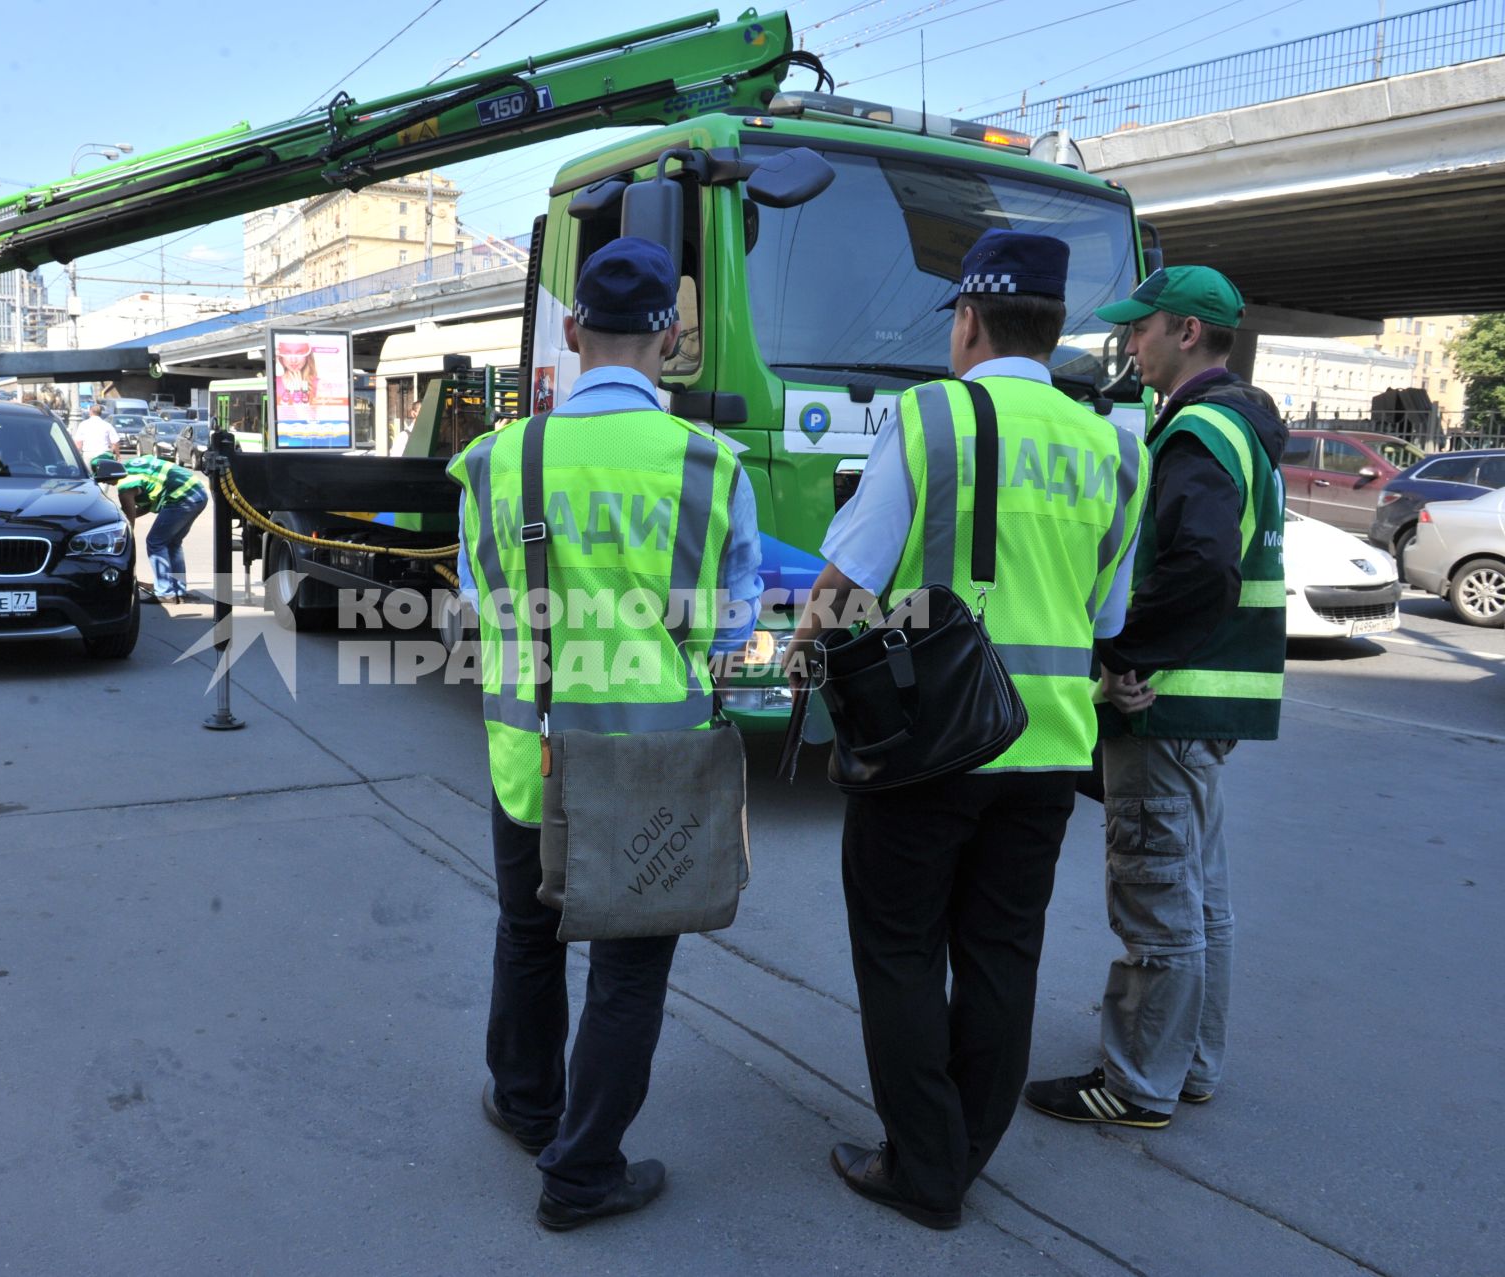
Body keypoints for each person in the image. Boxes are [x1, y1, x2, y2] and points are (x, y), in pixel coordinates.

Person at [783, 230, 1149, 1231]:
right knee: (1002, 952)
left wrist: (802, 644)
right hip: (1048, 747)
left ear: (970, 319)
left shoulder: (931, 416)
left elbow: (849, 574)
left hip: (928, 744)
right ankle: (963, 1148)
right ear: (1055, 324)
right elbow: (1107, 616)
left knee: (900, 948)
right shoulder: (1116, 446)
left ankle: (925, 1164)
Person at [448, 236, 762, 1232]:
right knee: (629, 969)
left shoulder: (502, 457)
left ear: (574, 329)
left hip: (530, 749)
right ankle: (582, 1170)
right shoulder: (711, 467)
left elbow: (474, 601)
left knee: (527, 931)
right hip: (655, 757)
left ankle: (526, 1101)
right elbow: (731, 626)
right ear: (672, 340)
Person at [1024, 266, 1286, 1130]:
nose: (1128, 343)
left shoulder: (1198, 434)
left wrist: (1129, 655)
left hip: (1165, 705)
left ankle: (1136, 1083)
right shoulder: (1243, 427)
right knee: (1203, 896)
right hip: (1215, 704)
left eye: (1141, 328)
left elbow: (1200, 566)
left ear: (1185, 332)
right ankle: (1191, 1066)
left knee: (1156, 895)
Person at [92, 451, 207, 603]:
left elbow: (129, 518)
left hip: (181, 498)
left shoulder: (125, 486)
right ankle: (178, 591)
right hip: (197, 493)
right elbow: (144, 507)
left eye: (104, 479)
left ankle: (165, 592)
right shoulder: (133, 465)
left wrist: (124, 538)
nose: (106, 483)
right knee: (172, 543)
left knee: (156, 542)